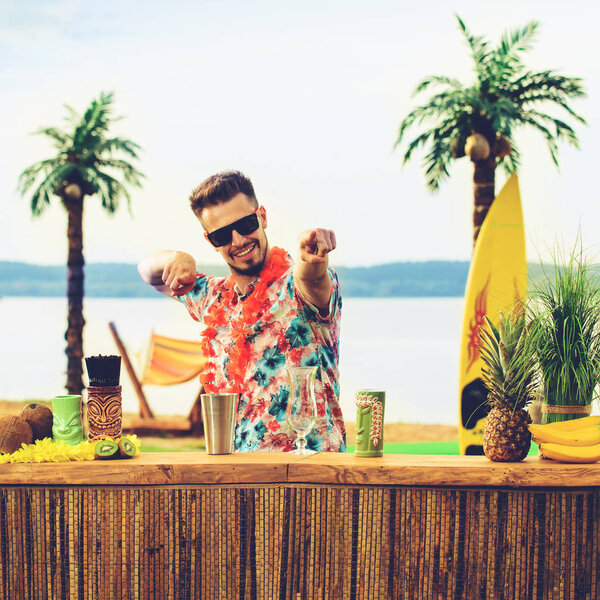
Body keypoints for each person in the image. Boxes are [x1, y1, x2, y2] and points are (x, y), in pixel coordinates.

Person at [138, 171, 346, 452]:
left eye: (245, 224)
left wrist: (312, 259)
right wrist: (177, 257)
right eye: (222, 235)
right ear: (210, 241)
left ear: (262, 217)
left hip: (310, 476)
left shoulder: (296, 290)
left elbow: (311, 278)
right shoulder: (213, 299)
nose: (237, 240)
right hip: (239, 479)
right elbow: (149, 272)